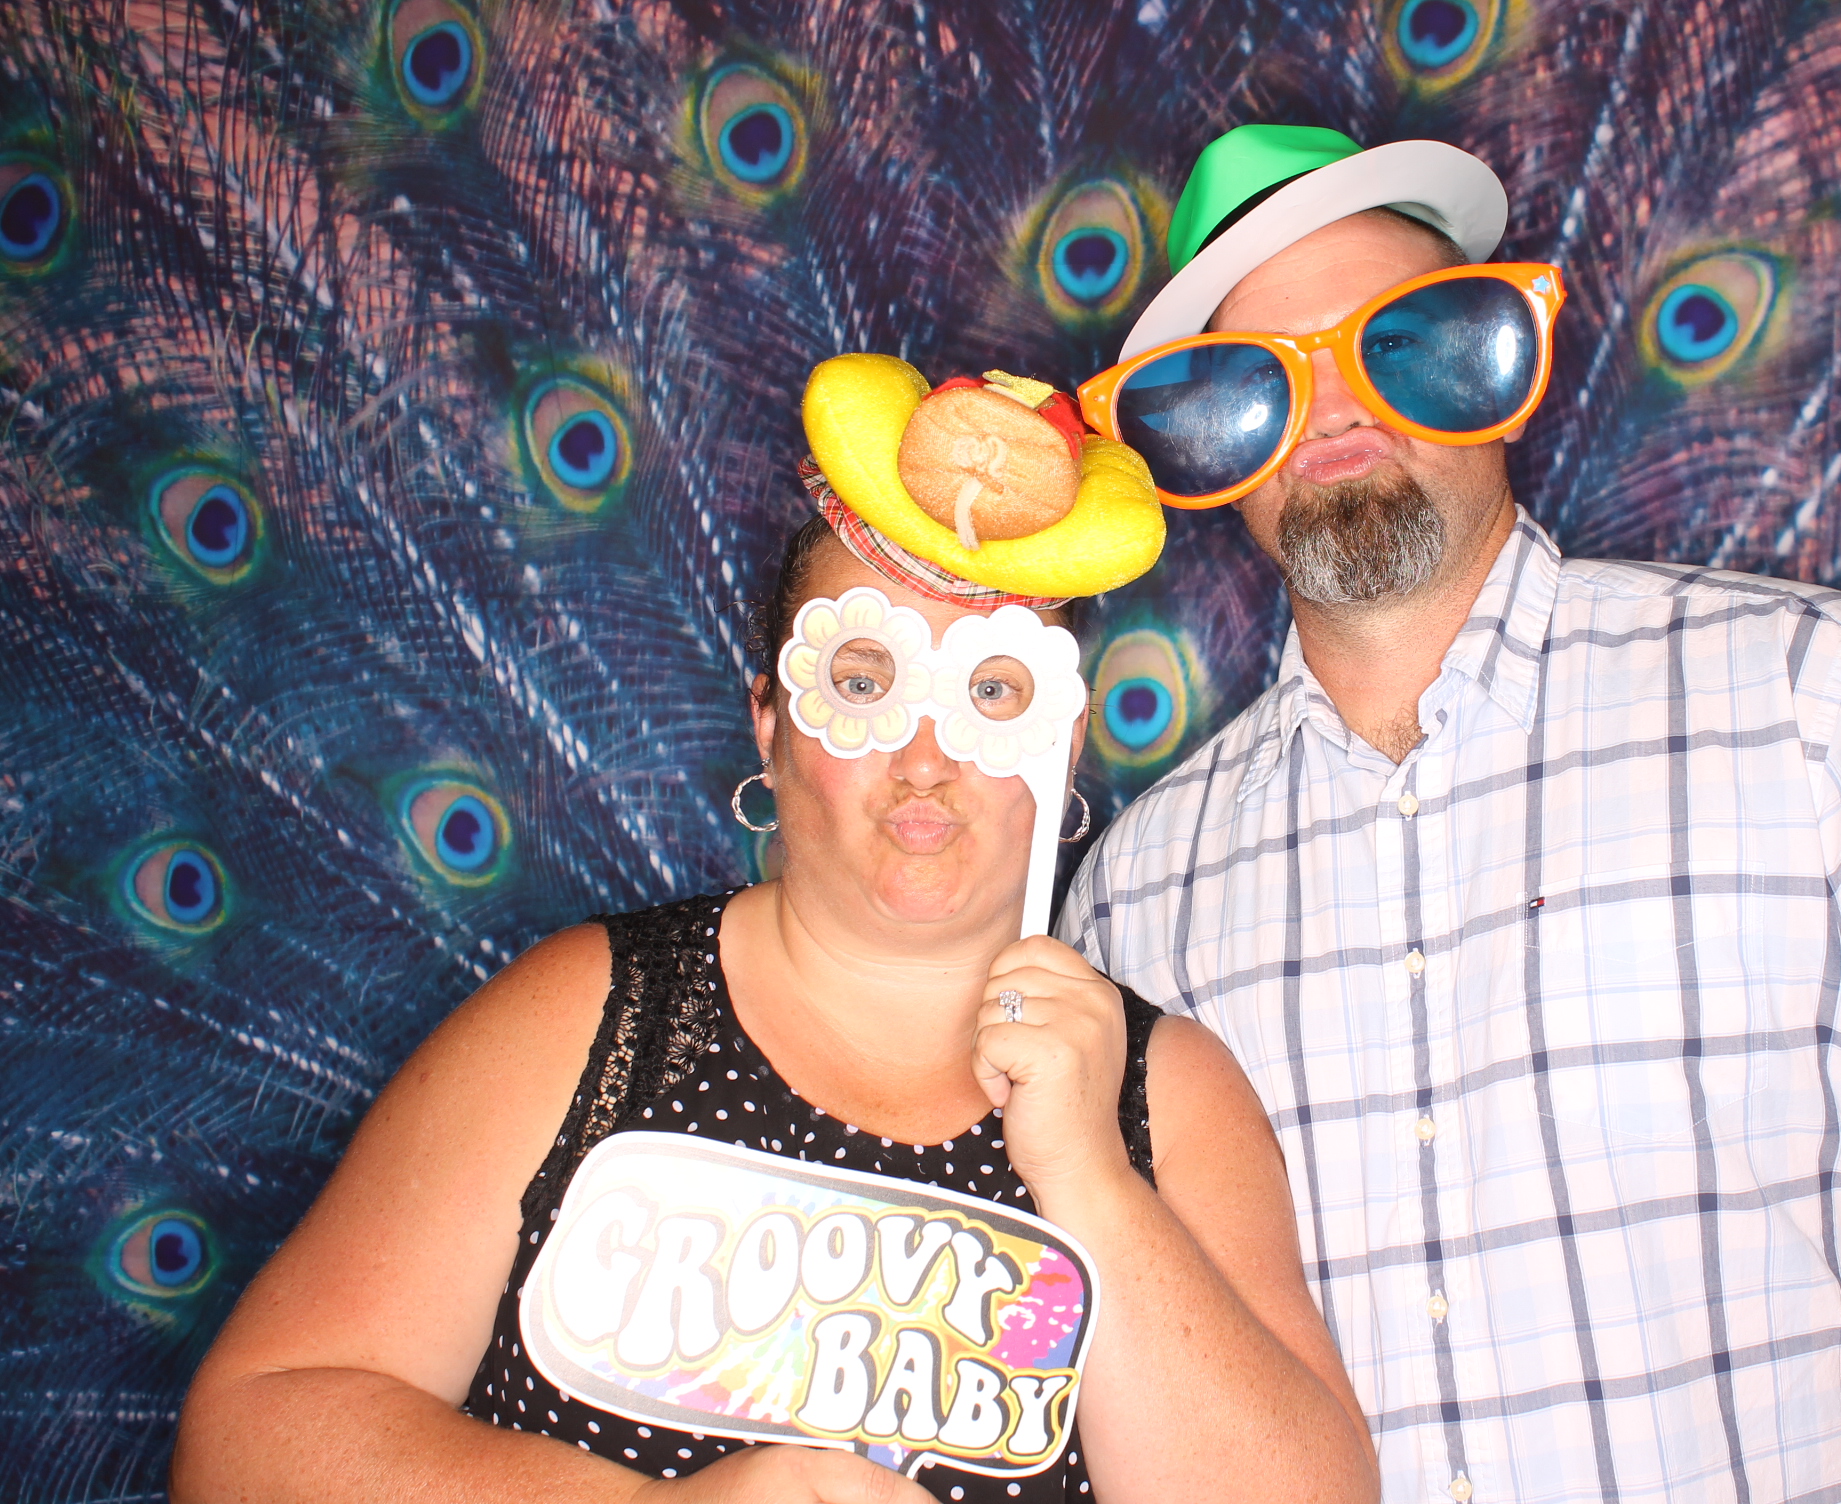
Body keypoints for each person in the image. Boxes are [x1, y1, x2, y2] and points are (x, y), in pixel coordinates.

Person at [1061, 124, 1841, 1504]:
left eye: (1401, 343)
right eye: (1253, 384)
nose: (1334, 413)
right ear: (1194, 441)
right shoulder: (1138, 891)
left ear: (1499, 368)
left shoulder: (1820, 698)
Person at [173, 356, 1378, 1504]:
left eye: (992, 695)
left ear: (1061, 740)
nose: (925, 759)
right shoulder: (584, 1018)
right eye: (864, 681)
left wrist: (1090, 1180)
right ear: (769, 722)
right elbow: (251, 1437)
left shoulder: (1162, 1099)